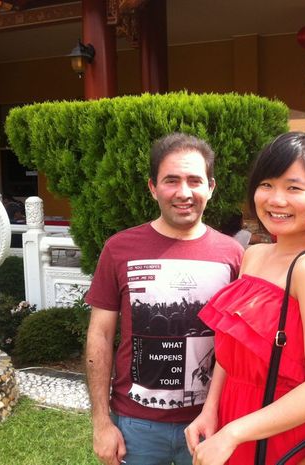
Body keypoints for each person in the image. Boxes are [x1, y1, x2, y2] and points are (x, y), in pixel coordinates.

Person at [185, 132, 305, 465]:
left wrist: (234, 433)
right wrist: (210, 412)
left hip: (277, 432)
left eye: (294, 187)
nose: (276, 199)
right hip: (232, 419)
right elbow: (232, 350)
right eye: (267, 184)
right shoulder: (253, 255)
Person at [84, 133, 244, 465]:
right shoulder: (119, 249)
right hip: (135, 427)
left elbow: (238, 344)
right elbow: (99, 335)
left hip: (208, 423)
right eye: (171, 181)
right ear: (152, 187)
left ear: (211, 187)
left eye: (194, 180)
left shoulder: (233, 255)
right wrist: (101, 422)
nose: (184, 192)